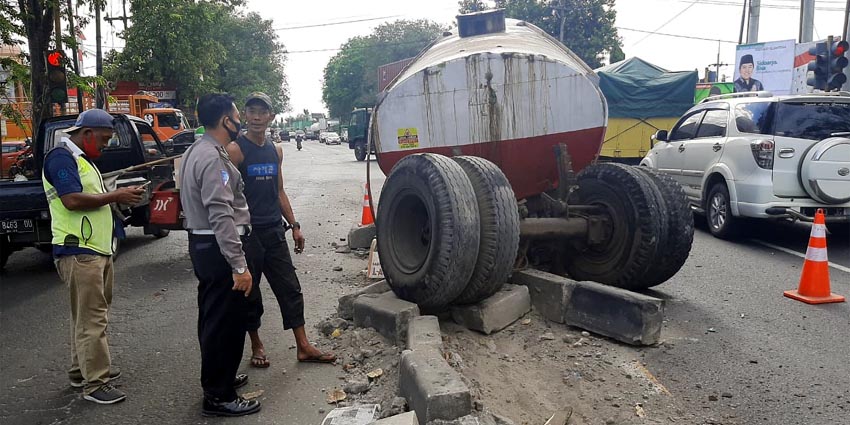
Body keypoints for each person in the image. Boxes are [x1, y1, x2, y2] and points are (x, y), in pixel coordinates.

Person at [225, 92, 336, 369]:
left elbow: (279, 191)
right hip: (248, 235)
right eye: (251, 111)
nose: (257, 117)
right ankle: (257, 345)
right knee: (250, 293)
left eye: (263, 112)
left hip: (274, 231)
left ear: (271, 116)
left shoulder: (276, 150)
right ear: (245, 116)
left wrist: (295, 226)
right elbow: (224, 196)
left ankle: (303, 346)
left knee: (290, 288)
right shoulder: (235, 151)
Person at [42, 109, 144, 404]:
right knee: (92, 319)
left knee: (85, 317)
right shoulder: (62, 158)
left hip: (95, 250)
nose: (105, 145)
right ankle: (95, 383)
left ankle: (81, 372)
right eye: (103, 139)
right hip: (79, 251)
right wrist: (116, 197)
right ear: (86, 133)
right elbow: (72, 200)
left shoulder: (82, 161)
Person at [179, 93, 260, 417]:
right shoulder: (213, 157)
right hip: (217, 247)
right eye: (237, 115)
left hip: (206, 245)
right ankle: (218, 395)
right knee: (223, 323)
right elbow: (220, 214)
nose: (240, 120)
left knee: (215, 318)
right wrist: (239, 265)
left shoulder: (197, 151)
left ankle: (221, 376)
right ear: (226, 120)